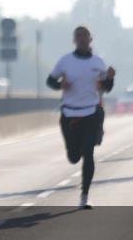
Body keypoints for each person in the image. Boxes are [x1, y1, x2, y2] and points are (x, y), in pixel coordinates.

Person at [46, 26, 116, 209]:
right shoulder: (65, 61)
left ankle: (84, 196)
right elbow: (50, 81)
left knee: (89, 154)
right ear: (74, 40)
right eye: (78, 36)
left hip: (91, 112)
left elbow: (106, 87)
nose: (82, 39)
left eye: (85, 36)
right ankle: (76, 152)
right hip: (69, 114)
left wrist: (110, 78)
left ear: (90, 39)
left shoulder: (98, 62)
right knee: (74, 156)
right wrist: (61, 84)